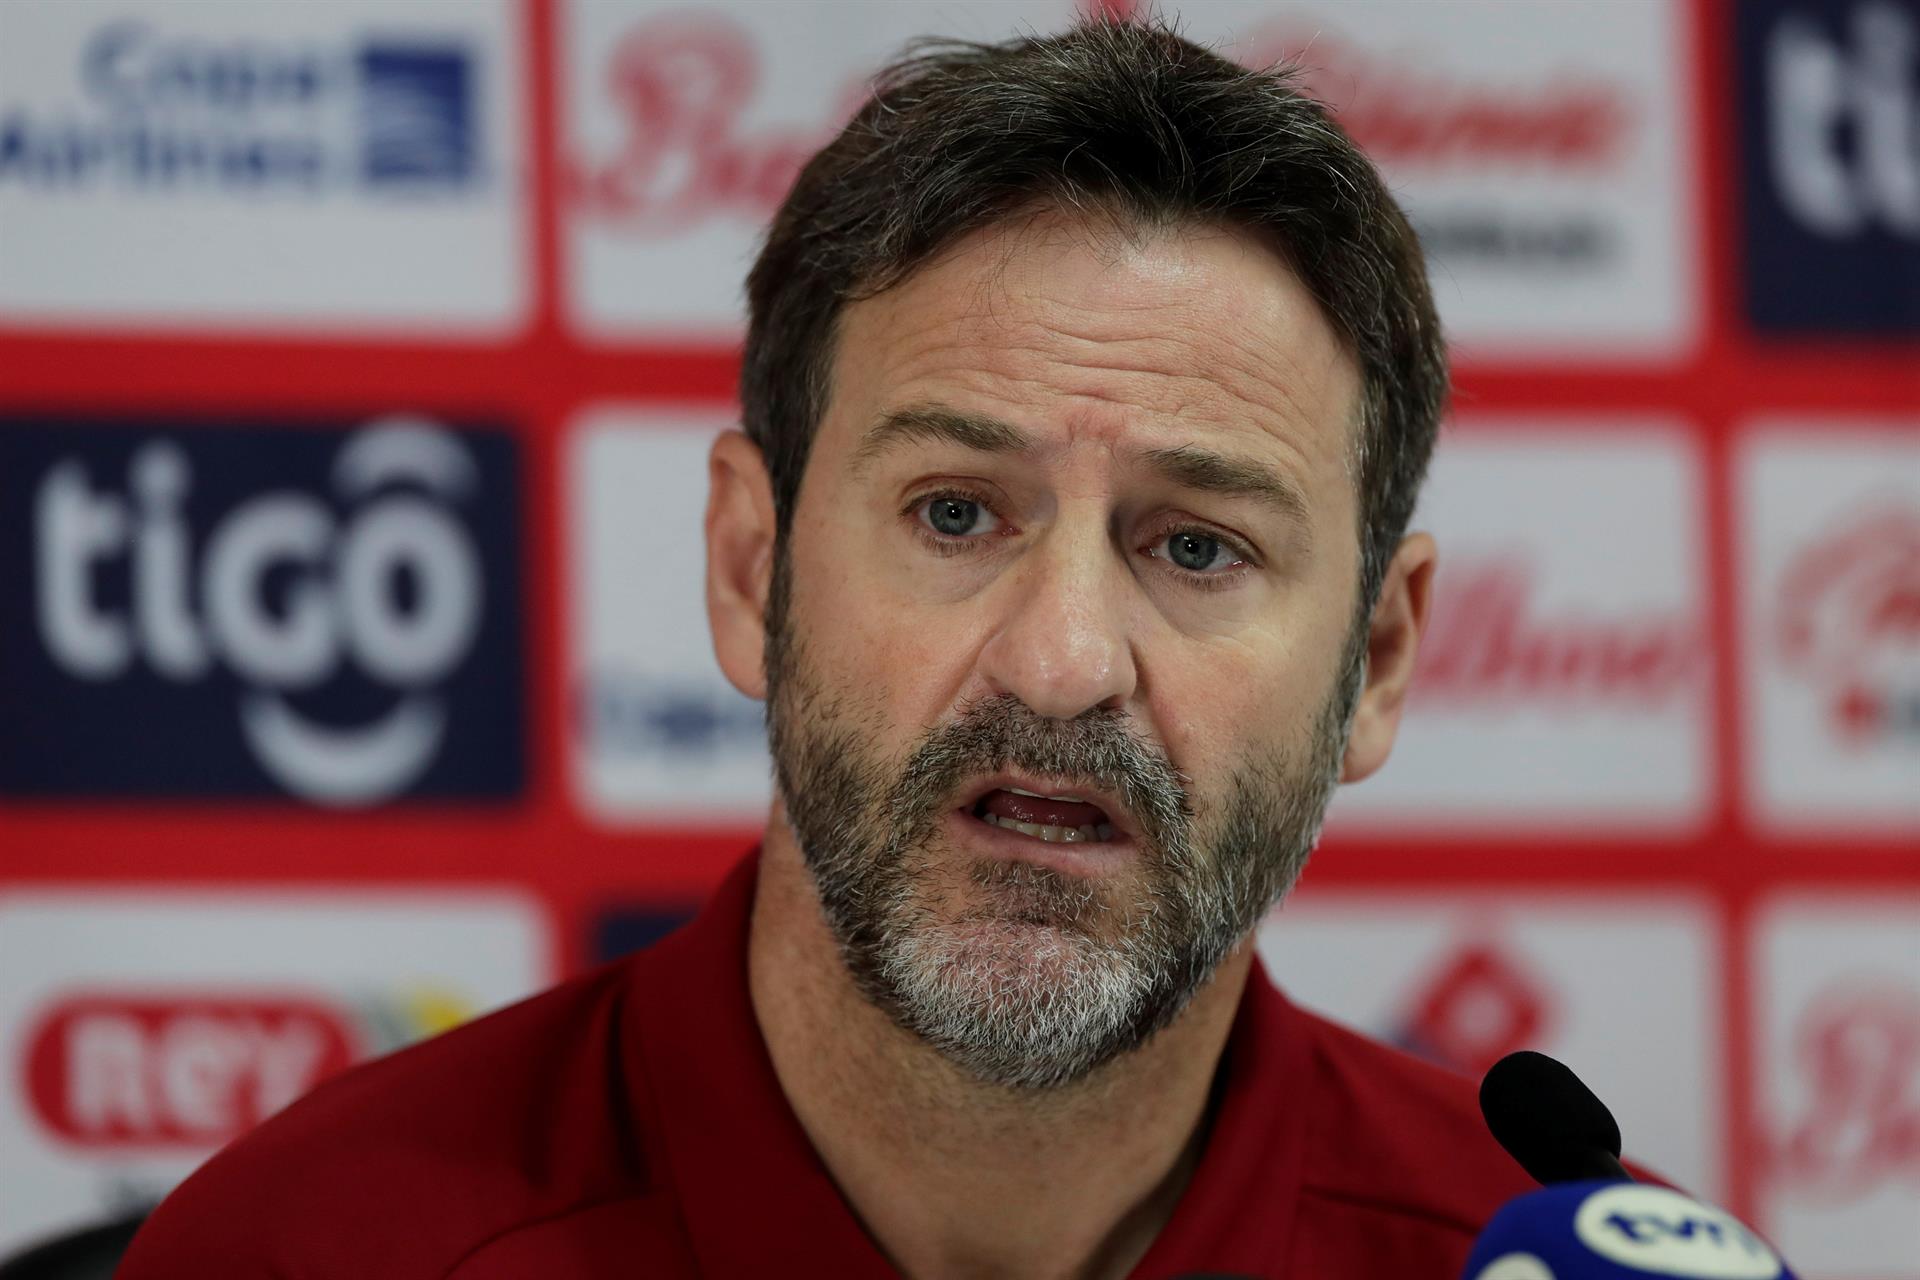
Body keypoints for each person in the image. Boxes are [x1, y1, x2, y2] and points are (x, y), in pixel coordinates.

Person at [120, 17, 1561, 1278]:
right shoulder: (310, 1253)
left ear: (1377, 662)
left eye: (1196, 547)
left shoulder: (1552, 1257)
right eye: (955, 512)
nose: (1063, 663)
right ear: (753, 569)